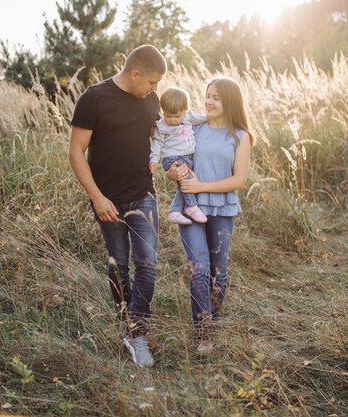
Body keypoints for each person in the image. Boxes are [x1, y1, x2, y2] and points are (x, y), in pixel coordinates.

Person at [67, 45, 167, 368]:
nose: (156, 90)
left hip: (143, 195)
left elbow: (161, 137)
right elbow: (75, 153)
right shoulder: (93, 99)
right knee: (119, 265)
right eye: (152, 82)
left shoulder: (150, 100)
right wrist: (97, 197)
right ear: (135, 73)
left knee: (148, 263)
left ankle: (138, 333)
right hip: (107, 199)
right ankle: (125, 322)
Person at [167, 77, 256, 354]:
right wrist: (170, 172)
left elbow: (239, 180)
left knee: (219, 272)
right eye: (207, 96)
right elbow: (171, 154)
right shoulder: (194, 127)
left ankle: (214, 322)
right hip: (191, 206)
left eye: (216, 97)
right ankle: (204, 333)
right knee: (200, 269)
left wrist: (202, 185)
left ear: (229, 100)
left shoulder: (241, 136)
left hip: (222, 209)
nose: (208, 101)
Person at [148, 87, 208, 225]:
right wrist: (153, 160)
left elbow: (201, 118)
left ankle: (175, 212)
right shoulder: (161, 126)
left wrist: (212, 117)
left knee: (183, 184)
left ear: (185, 110)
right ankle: (191, 207)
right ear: (163, 110)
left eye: (177, 116)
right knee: (187, 179)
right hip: (172, 158)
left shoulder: (188, 117)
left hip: (188, 157)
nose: (173, 120)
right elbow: (157, 143)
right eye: (169, 116)